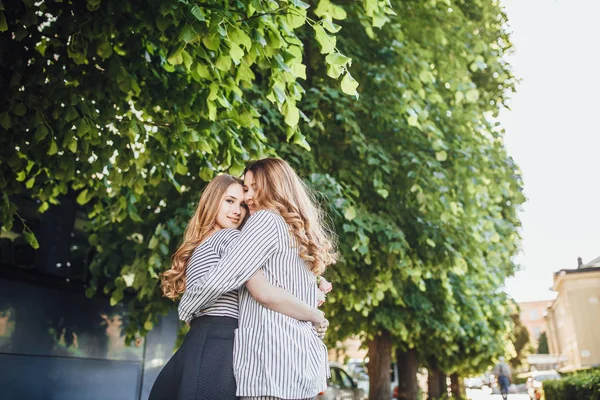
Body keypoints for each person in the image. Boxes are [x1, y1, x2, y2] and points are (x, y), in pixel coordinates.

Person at [148, 174, 327, 400]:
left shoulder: (198, 245)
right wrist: (313, 313)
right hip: (222, 342)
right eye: (229, 201)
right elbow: (264, 290)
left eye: (242, 204)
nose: (237, 210)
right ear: (212, 200)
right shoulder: (231, 238)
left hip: (200, 338)